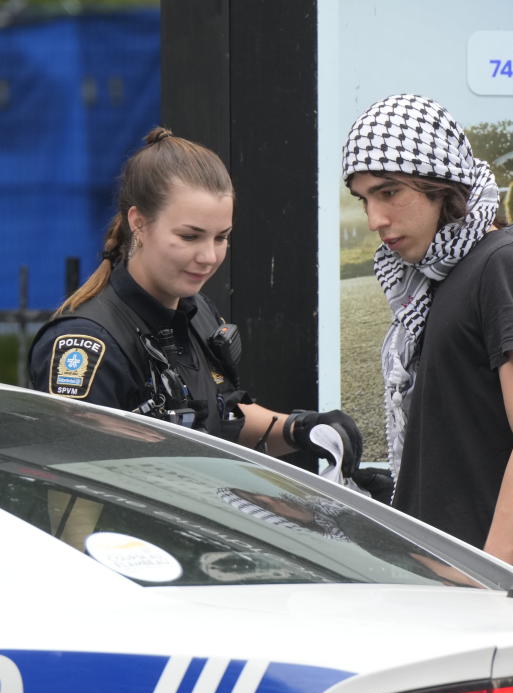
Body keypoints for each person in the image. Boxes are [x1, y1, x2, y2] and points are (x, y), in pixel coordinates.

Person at [29, 127, 368, 484]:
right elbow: (71, 492)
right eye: (189, 236)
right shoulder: (86, 343)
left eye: (221, 237)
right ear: (138, 223)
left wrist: (301, 429)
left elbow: (223, 419)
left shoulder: (197, 310)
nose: (208, 257)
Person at [341, 94, 513, 592]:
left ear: (441, 185)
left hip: (493, 599)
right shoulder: (434, 279)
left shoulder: (505, 267)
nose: (375, 218)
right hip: (438, 586)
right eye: (365, 199)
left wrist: (486, 585)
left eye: (388, 192)